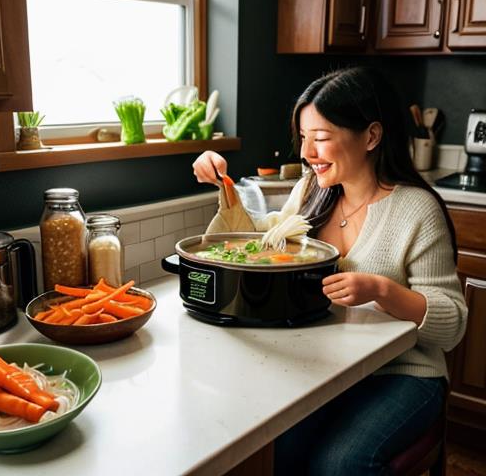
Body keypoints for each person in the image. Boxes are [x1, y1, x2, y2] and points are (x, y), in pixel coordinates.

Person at [192, 66, 467, 475]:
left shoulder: (416, 210)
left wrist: (382, 291)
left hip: (404, 373)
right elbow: (265, 247)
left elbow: (453, 324)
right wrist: (225, 188)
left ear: (371, 136)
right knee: (271, 448)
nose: (306, 153)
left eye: (320, 139)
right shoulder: (312, 190)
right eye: (304, 138)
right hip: (325, 370)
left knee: (338, 464)